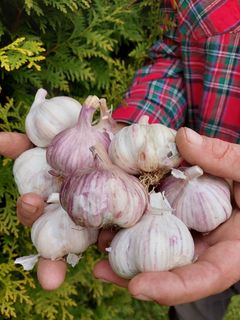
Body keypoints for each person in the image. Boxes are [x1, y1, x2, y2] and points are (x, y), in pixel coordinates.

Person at [1, 0, 240, 319]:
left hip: (197, 210)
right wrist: (131, 132)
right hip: (187, 217)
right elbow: (172, 54)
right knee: (188, 297)